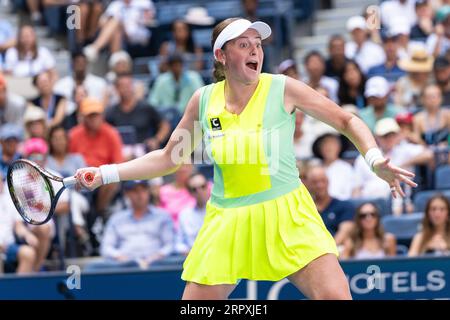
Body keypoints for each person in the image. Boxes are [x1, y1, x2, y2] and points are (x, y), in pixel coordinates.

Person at [75, 18, 417, 300]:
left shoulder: (282, 88)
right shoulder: (203, 100)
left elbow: (346, 120)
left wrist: (373, 159)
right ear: (221, 55)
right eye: (244, 44)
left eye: (258, 43)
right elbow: (169, 158)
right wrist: (105, 174)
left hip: (287, 213)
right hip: (228, 220)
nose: (256, 49)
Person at [85, 180, 174, 270]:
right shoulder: (117, 219)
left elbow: (170, 245)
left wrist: (153, 259)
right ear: (127, 194)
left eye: (143, 190)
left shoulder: (162, 216)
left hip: (157, 266)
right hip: (123, 268)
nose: (140, 195)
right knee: (93, 267)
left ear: (148, 191)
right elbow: (106, 248)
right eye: (135, 191)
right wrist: (124, 259)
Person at [107, 72, 171, 150]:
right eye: (122, 86)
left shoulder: (145, 107)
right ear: (116, 88)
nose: (126, 89)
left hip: (144, 151)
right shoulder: (111, 112)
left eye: (128, 85)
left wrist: (156, 140)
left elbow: (165, 125)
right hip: (120, 151)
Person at [303, 165, 355, 246]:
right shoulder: (304, 208)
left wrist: (329, 251)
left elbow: (344, 232)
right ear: (308, 184)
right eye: (315, 182)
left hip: (336, 250)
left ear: (328, 181)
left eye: (322, 181)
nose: (319, 185)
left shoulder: (344, 206)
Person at [176, 173, 210, 255]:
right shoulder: (185, 215)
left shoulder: (221, 210)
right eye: (194, 189)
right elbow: (179, 244)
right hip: (194, 258)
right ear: (189, 192)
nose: (200, 191)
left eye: (203, 186)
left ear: (209, 186)